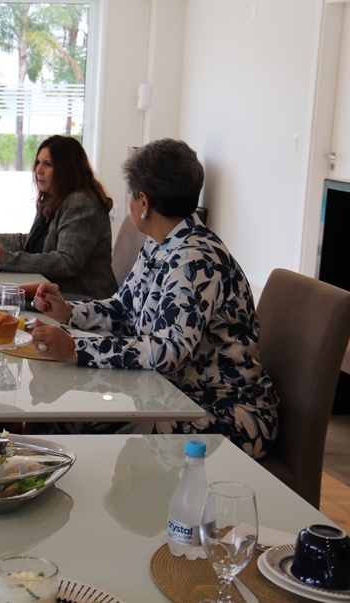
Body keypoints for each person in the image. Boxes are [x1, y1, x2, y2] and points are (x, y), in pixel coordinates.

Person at [30, 138, 279, 459]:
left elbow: (167, 352)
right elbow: (124, 307)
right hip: (172, 396)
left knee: (81, 422)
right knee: (69, 416)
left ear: (144, 201)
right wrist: (69, 312)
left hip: (222, 411)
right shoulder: (162, 243)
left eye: (131, 194)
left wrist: (76, 349)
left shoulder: (194, 261)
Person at [0, 135, 117, 299]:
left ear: (67, 169)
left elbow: (66, 262)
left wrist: (5, 260)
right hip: (54, 294)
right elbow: (29, 243)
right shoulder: (53, 198)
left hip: (84, 300)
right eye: (38, 162)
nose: (39, 170)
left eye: (48, 164)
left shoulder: (81, 203)